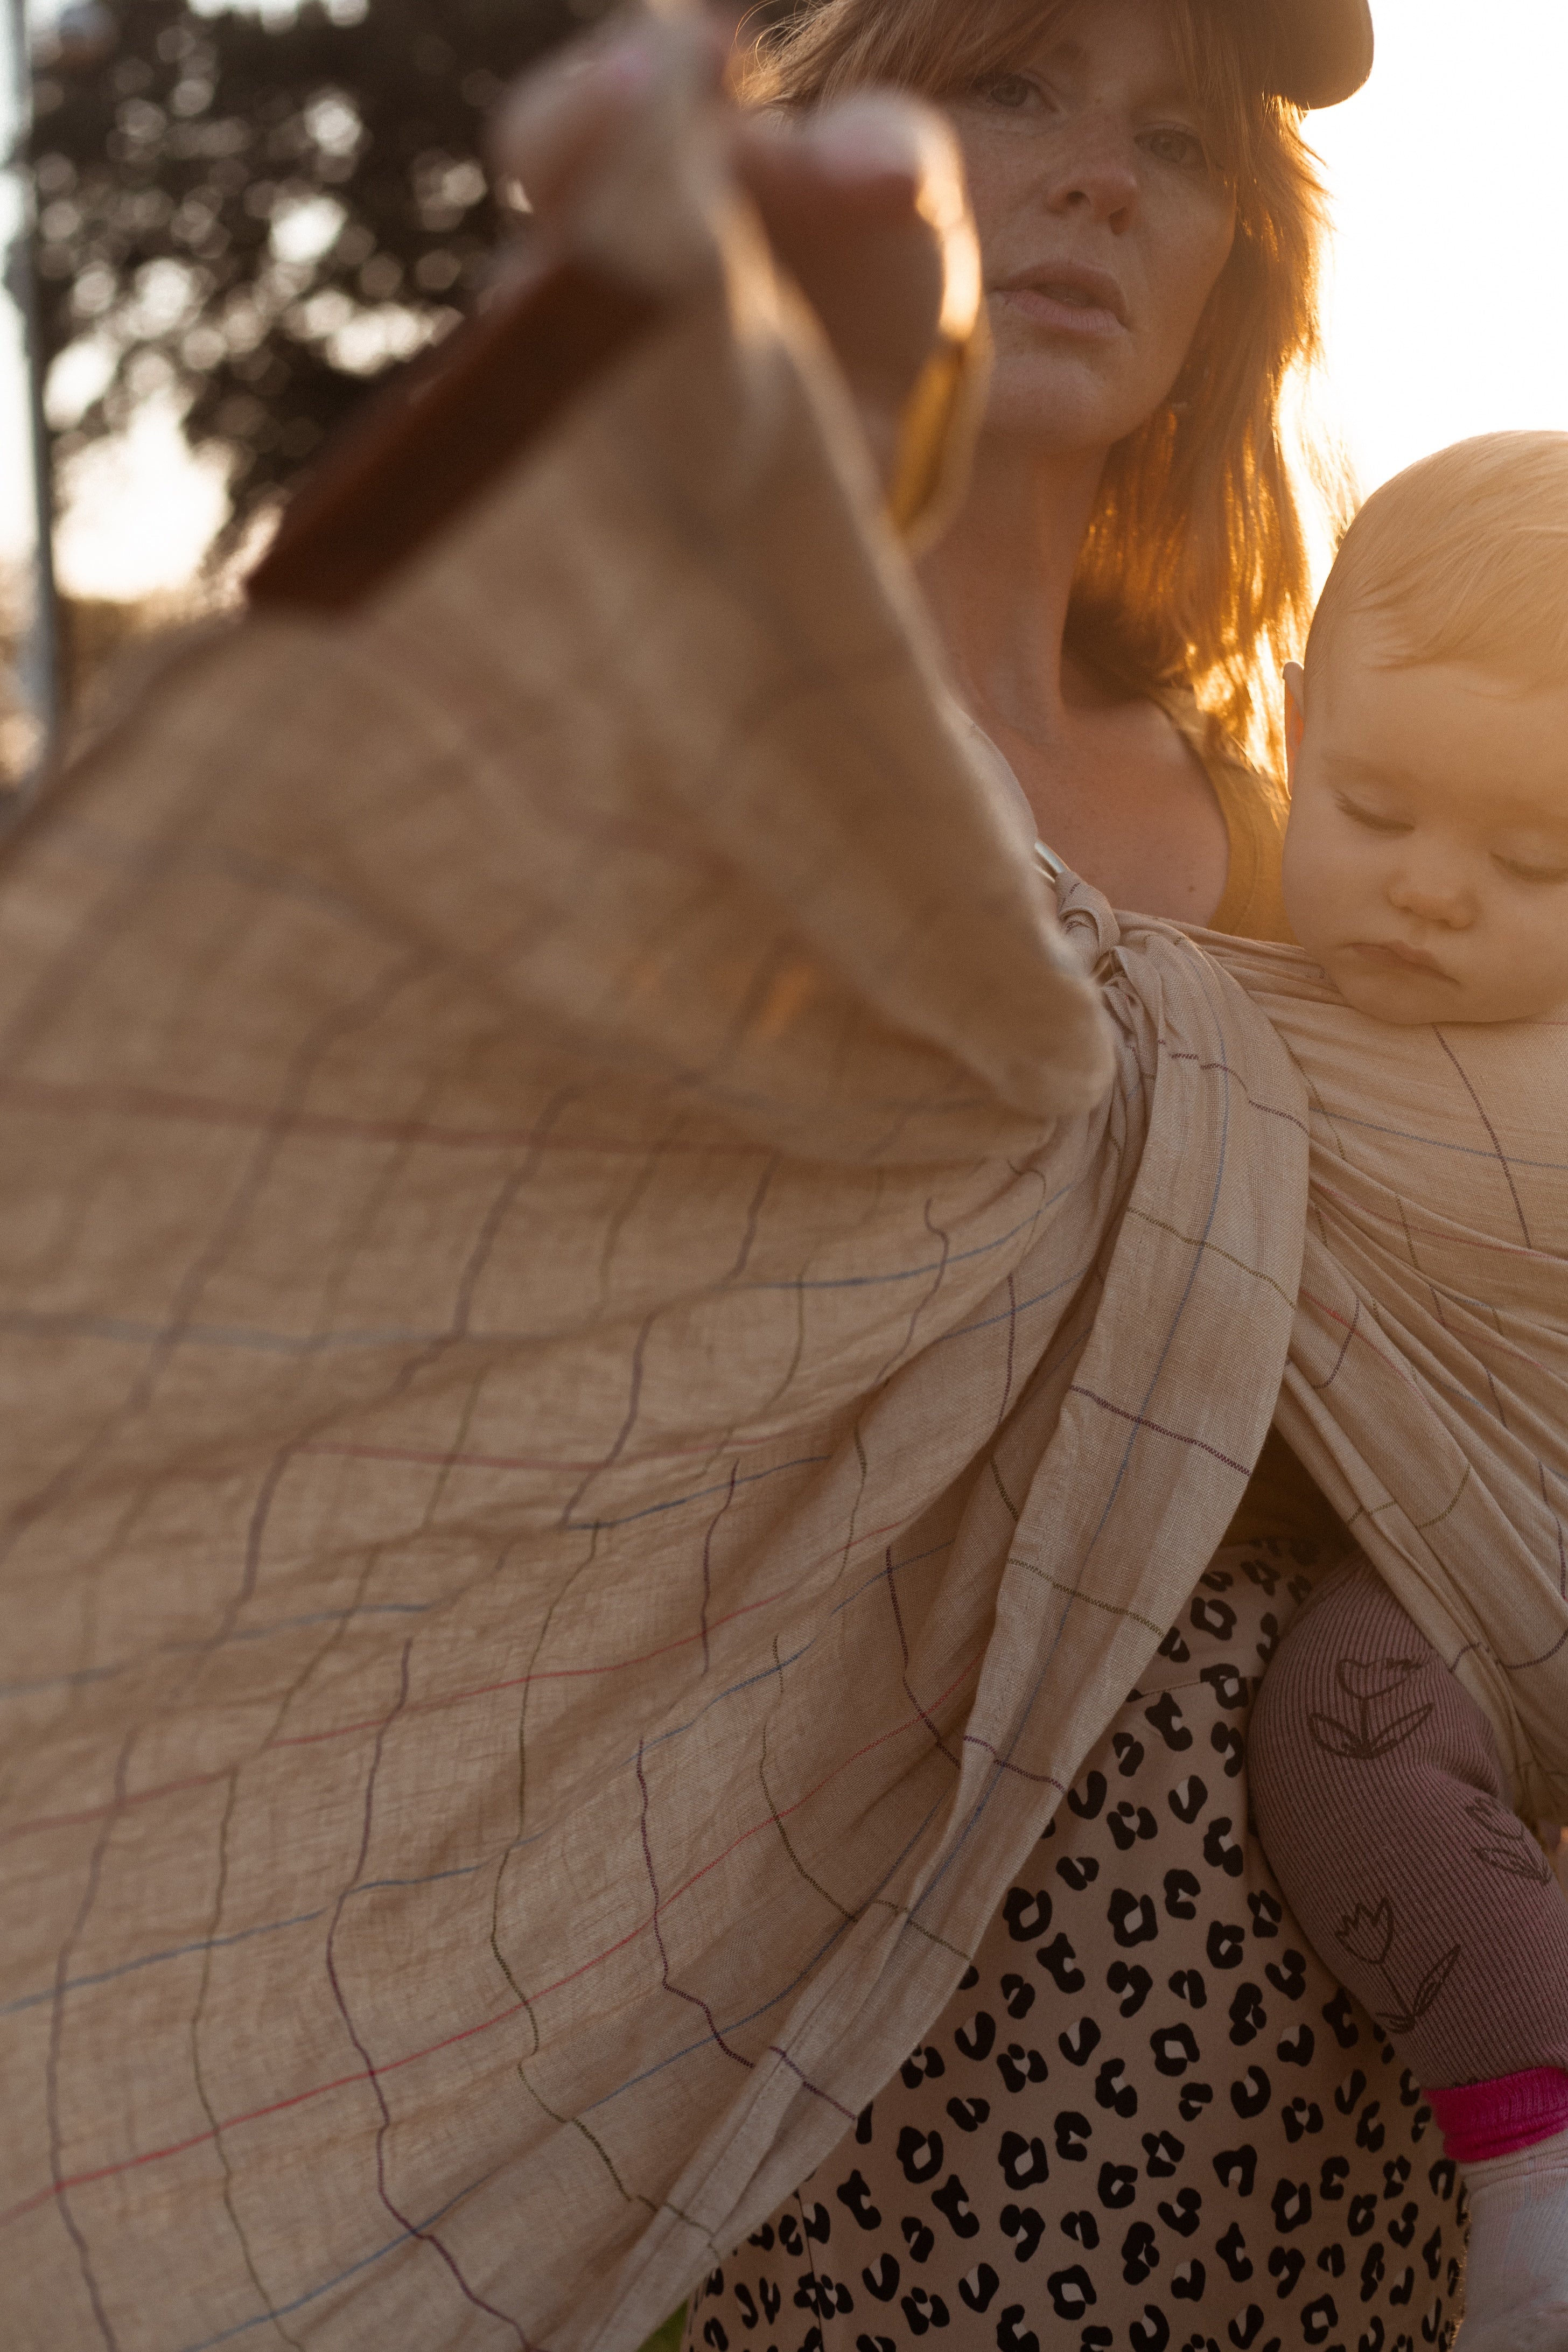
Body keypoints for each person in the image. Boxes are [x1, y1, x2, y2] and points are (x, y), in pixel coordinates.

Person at [674, 1, 1465, 2346]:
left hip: (1342, 2124)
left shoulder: (1315, 859)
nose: (1102, 179)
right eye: (1010, 83)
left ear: (1236, 262)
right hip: (853, 2108)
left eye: (1174, 140)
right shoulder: (644, 775)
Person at [1247, 432, 1568, 2352]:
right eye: (1372, 807)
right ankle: (1531, 2164)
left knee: (1348, 1737)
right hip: (1431, 1594)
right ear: (1290, 721)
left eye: (1536, 857)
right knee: (1359, 1736)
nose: (1437, 895)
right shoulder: (1214, 1007)